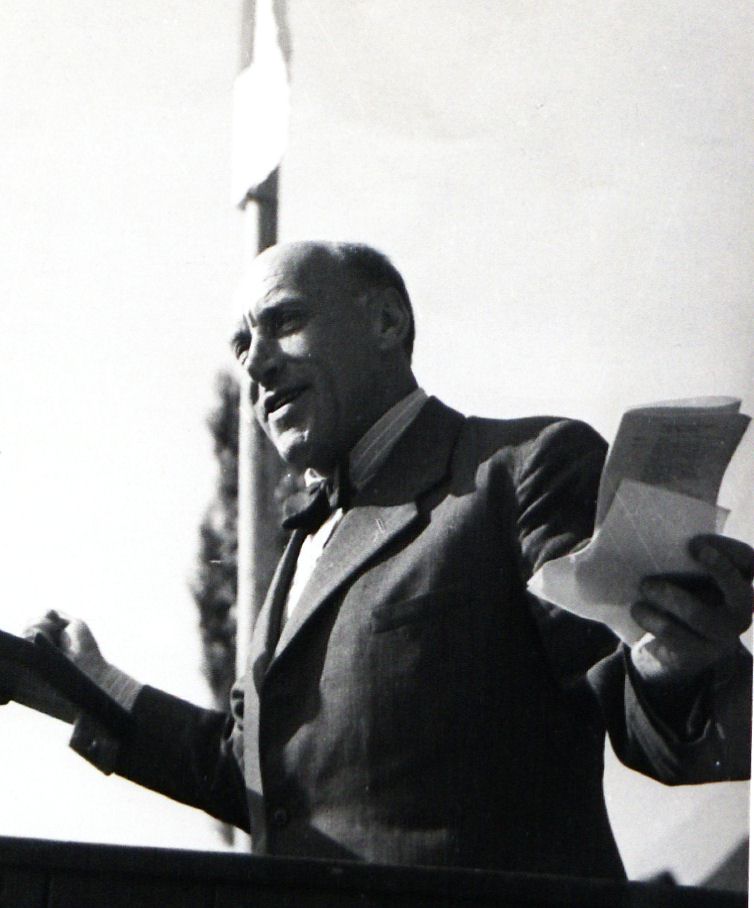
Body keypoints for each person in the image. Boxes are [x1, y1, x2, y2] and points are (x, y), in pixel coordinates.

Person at [20, 241, 753, 878]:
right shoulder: (303, 551)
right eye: (242, 346)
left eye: (284, 321)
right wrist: (91, 686)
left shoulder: (522, 469)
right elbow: (259, 778)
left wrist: (676, 662)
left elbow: (636, 693)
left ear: (386, 322)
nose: (257, 363)